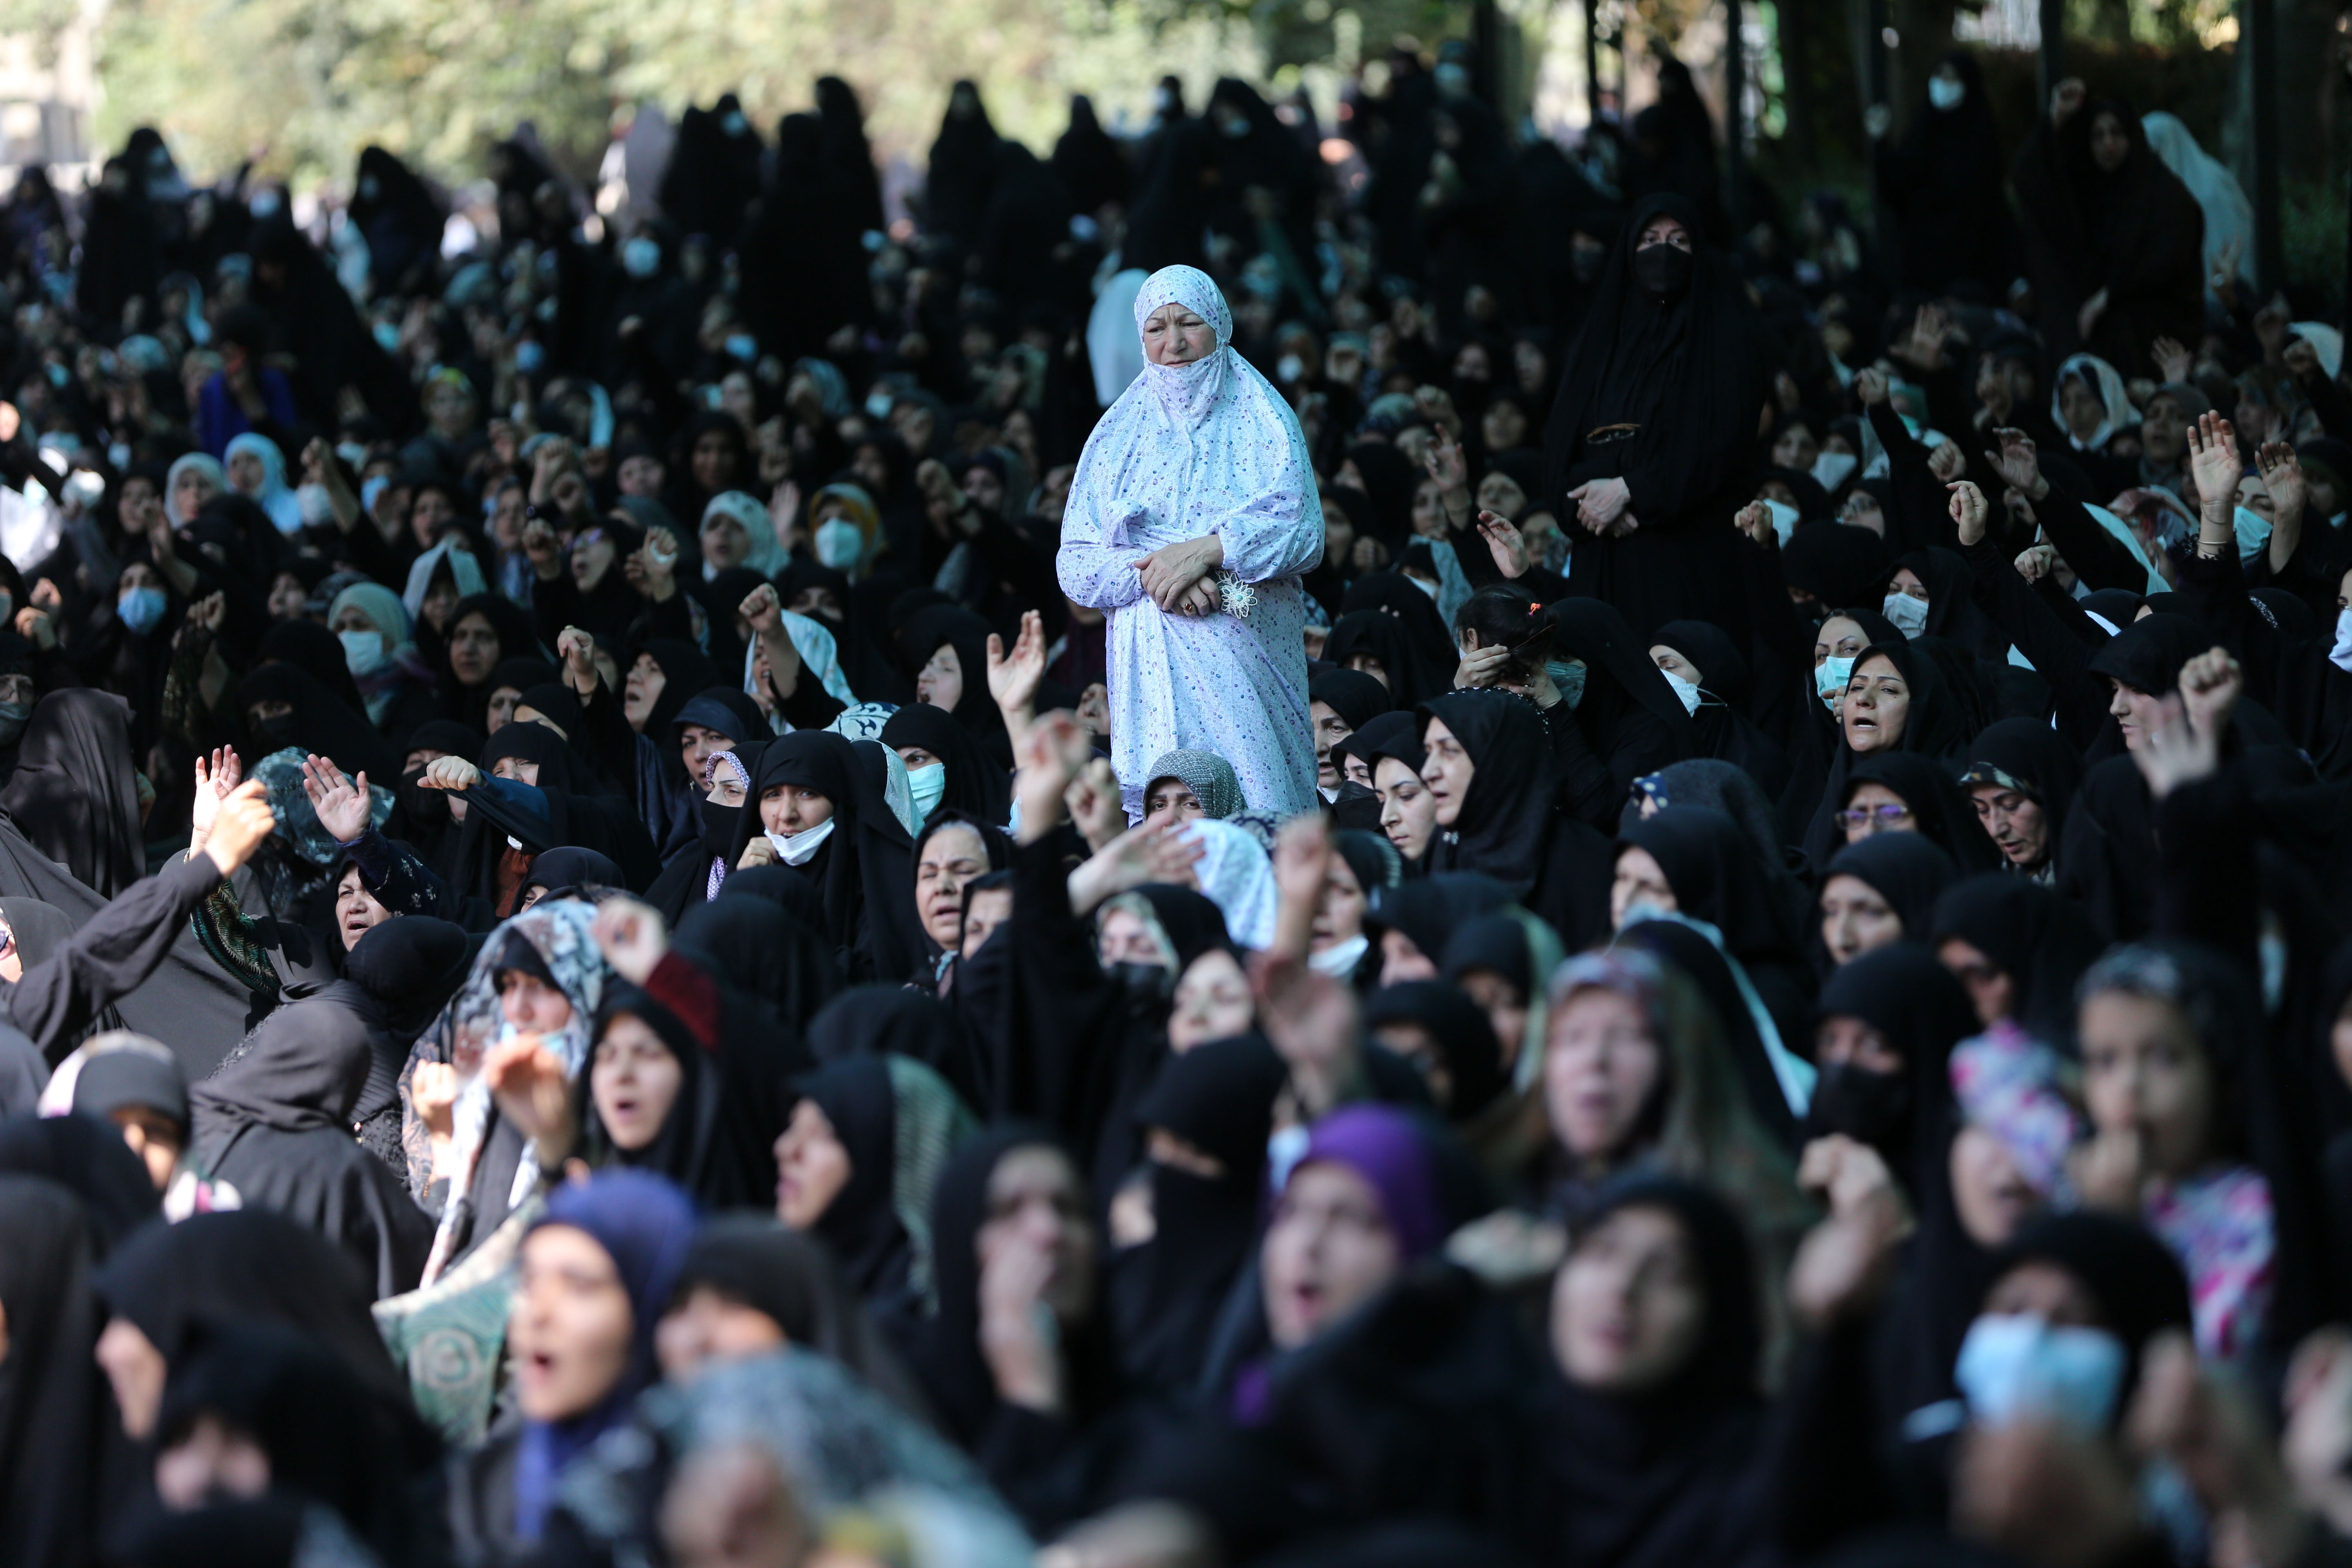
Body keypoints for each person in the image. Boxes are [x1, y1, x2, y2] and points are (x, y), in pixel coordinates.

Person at [1057, 264, 1324, 818]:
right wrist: (1158, 573)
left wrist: (1208, 552)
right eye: (1156, 328)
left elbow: (1303, 535)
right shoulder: (1117, 434)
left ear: (1221, 324)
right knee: (1168, 828)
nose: (1174, 342)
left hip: (1245, 653)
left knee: (1260, 809)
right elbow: (1076, 564)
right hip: (1147, 665)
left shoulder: (1265, 418)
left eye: (1189, 323)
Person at [1542, 194, 1766, 640]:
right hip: (1601, 555)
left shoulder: (1723, 340)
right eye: (1650, 239)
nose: (1664, 251)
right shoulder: (1599, 339)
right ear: (1629, 250)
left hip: (1685, 563)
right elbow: (1561, 442)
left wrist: (1630, 490)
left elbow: (1717, 446)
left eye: (1679, 240)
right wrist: (1596, 502)